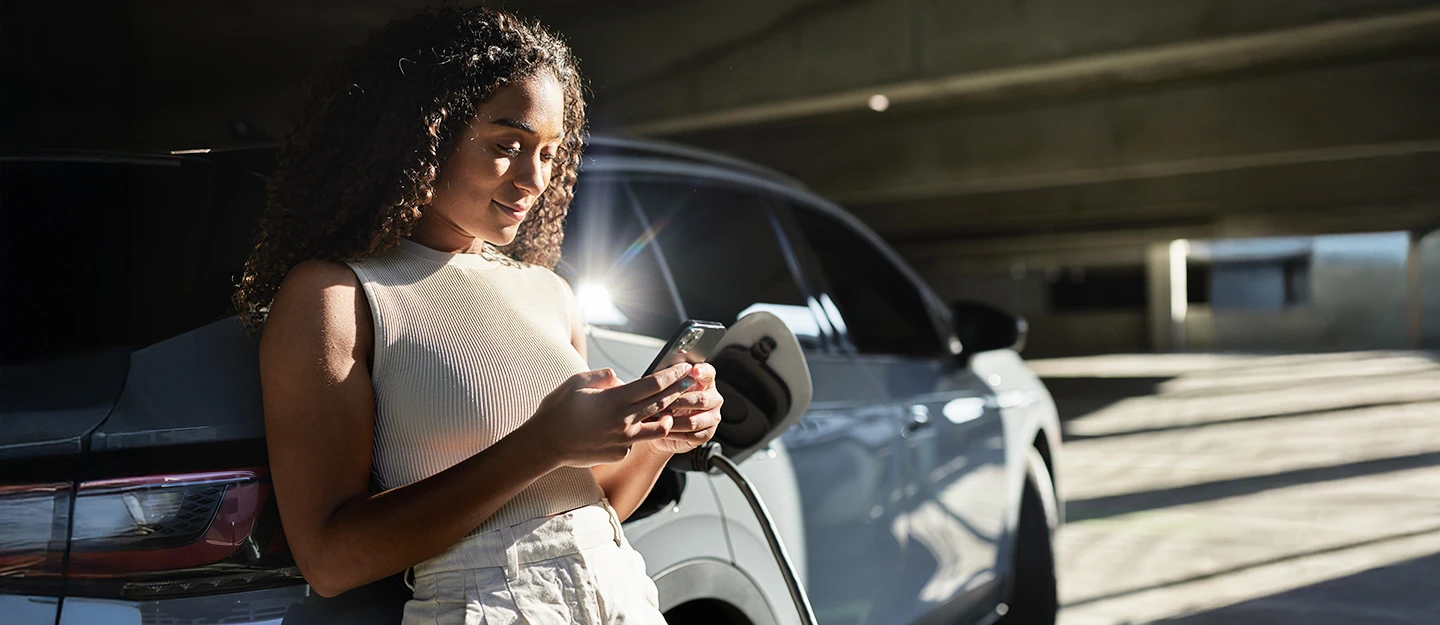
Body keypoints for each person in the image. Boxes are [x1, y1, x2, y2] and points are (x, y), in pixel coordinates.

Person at [232, 7, 723, 624]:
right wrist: (546, 441)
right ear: (422, 136)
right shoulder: (338, 294)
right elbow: (331, 559)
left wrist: (660, 440)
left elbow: (588, 505)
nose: (534, 179)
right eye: (506, 146)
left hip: (621, 594)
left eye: (549, 152)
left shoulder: (549, 292)